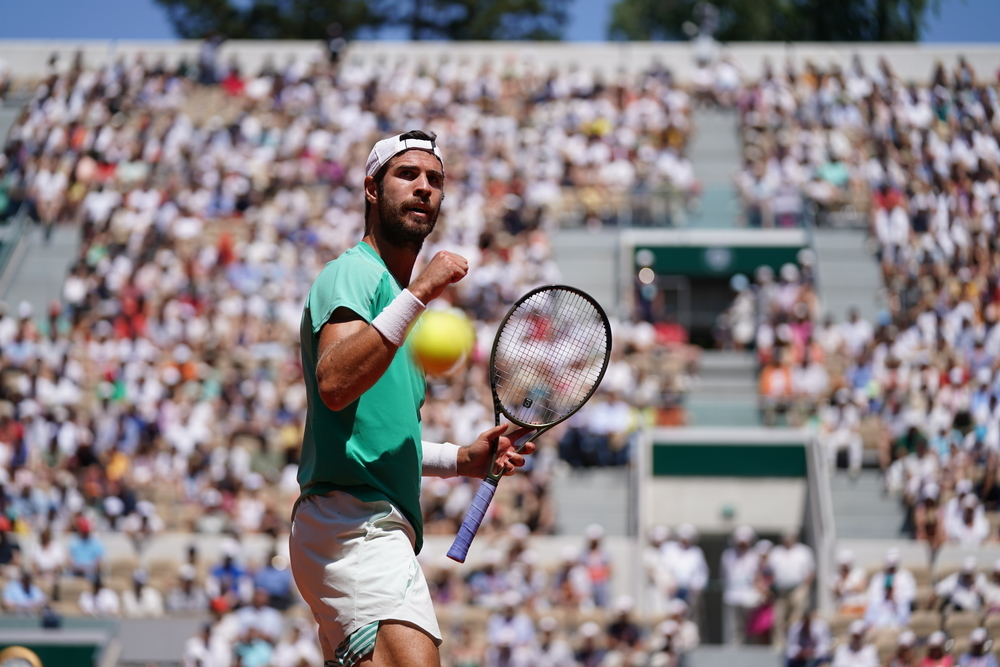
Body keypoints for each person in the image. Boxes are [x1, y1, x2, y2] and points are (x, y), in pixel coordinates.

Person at [288, 130, 534, 667]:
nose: (424, 187)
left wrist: (460, 460)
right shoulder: (353, 272)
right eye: (407, 175)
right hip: (355, 526)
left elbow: (376, 439)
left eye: (435, 180)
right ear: (372, 189)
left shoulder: (400, 323)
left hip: (355, 523)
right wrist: (420, 291)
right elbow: (333, 383)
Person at [722, 525, 760, 645]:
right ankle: (735, 646)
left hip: (749, 595)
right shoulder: (727, 555)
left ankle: (750, 646)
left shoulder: (755, 555)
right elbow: (724, 574)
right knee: (734, 625)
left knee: (750, 625)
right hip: (732, 594)